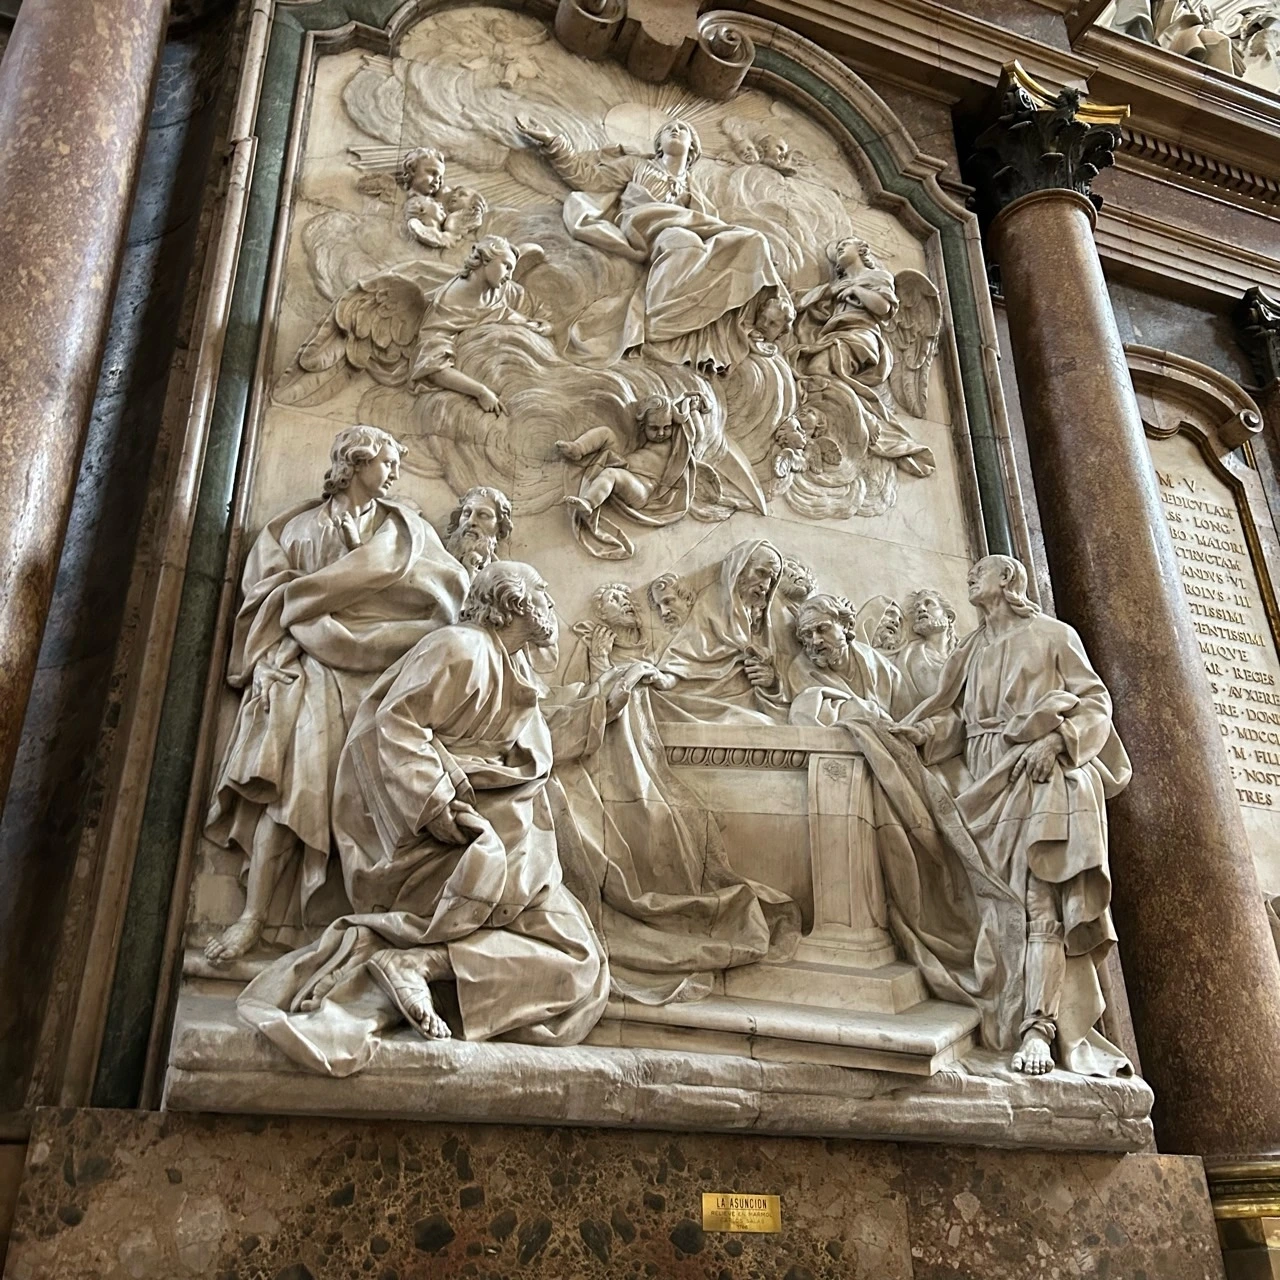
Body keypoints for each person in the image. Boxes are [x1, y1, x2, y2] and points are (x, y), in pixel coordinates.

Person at [237, 562, 665, 1075]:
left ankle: (415, 965)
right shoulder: (462, 648)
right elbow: (394, 724)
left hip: (501, 841)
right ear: (513, 602)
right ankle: (400, 971)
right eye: (541, 591)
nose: (552, 601)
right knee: (574, 956)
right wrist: (438, 803)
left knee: (580, 964)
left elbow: (536, 744)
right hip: (444, 845)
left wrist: (606, 701)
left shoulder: (512, 665)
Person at [204, 426, 468, 963]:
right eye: (387, 463)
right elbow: (267, 601)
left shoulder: (406, 530)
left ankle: (380, 926)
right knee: (293, 797)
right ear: (356, 463)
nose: (394, 474)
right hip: (315, 673)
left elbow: (449, 598)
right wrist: (275, 654)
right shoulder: (300, 531)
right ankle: (254, 916)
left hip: (387, 681)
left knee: (386, 805)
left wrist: (360, 566)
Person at [889, 555, 1132, 1075]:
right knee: (994, 910)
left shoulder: (1053, 634)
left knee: (1039, 900)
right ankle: (1003, 1017)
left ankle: (1039, 1030)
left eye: (981, 570)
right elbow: (958, 721)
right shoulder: (970, 650)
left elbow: (1095, 704)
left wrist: (1059, 740)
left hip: (1036, 775)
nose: (970, 576)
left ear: (1007, 579)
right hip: (981, 782)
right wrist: (924, 733)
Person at [517, 116, 785, 371]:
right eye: (669, 129)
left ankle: (761, 316)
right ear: (658, 144)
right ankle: (656, 319)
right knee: (686, 243)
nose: (675, 130)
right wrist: (554, 143)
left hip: (683, 230)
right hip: (645, 226)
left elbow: (710, 226)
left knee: (753, 240)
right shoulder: (637, 166)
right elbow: (588, 178)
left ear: (692, 147)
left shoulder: (693, 189)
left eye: (682, 129)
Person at [555, 391, 765, 560]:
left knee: (611, 474)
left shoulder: (676, 447)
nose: (662, 433)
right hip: (627, 466)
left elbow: (693, 430)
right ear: (642, 425)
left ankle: (589, 503)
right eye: (654, 428)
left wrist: (692, 406)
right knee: (606, 434)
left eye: (667, 427)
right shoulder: (639, 442)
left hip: (645, 487)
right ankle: (578, 448)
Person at [410, 235, 551, 414]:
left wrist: (546, 325)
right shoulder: (447, 310)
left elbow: (531, 304)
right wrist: (480, 392)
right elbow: (435, 369)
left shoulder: (499, 288)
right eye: (506, 266)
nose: (509, 276)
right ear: (485, 259)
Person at [653, 539, 788, 724]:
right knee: (761, 725)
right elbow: (684, 656)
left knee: (767, 725)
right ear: (740, 569)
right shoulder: (710, 609)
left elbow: (788, 683)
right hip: (703, 702)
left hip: (747, 703)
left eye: (771, 579)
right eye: (761, 573)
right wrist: (665, 680)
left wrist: (771, 682)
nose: (765, 585)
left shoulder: (767, 625)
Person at [785, 593, 909, 720]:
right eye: (807, 634)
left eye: (823, 629)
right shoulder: (800, 672)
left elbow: (907, 718)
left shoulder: (881, 667)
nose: (816, 641)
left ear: (845, 625)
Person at [564, 582, 653, 684]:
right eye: (613, 599)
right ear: (601, 613)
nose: (625, 602)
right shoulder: (591, 642)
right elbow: (573, 689)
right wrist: (599, 659)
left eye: (626, 598)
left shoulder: (656, 642)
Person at [894, 588, 958, 707]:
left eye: (929, 603)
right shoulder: (908, 656)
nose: (921, 609)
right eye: (917, 607)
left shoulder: (966, 653)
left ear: (949, 617)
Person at [442, 484, 513, 575]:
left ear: (500, 529)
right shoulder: (436, 560)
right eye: (467, 513)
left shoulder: (504, 577)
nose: (470, 521)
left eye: (483, 515)